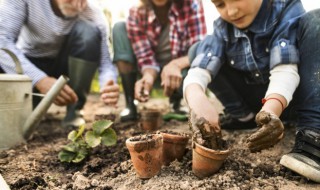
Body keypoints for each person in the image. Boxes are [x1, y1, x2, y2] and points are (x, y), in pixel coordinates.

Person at [184, 0, 320, 183]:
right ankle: (243, 118)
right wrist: (197, 98)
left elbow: (285, 70)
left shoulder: (286, 9)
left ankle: (313, 135)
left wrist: (272, 109)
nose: (231, 12)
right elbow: (199, 71)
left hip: (293, 97)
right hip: (259, 105)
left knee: (316, 20)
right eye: (220, 4)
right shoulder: (222, 27)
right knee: (197, 50)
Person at [0, 0, 120, 127]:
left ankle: (74, 110)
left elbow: (105, 62)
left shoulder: (93, 13)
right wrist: (39, 79)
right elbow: (2, 40)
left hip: (64, 67)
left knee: (88, 32)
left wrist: (108, 82)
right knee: (20, 120)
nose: (78, 4)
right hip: (29, 64)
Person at [112, 0, 207, 122]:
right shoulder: (136, 12)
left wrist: (175, 65)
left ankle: (176, 102)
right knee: (119, 27)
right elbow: (145, 57)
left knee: (196, 64)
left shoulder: (192, 4)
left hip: (180, 73)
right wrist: (148, 75)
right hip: (152, 73)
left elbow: (199, 50)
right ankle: (130, 103)